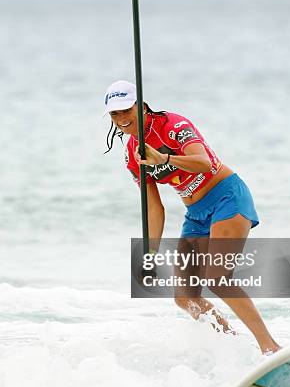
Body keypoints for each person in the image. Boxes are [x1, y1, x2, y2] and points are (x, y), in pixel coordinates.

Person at [104, 79, 280, 354]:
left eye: (126, 109)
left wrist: (165, 160)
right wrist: (149, 251)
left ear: (140, 105)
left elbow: (203, 162)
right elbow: (154, 208)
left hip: (226, 197)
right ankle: (236, 347)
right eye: (115, 114)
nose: (122, 118)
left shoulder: (173, 126)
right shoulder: (132, 155)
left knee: (217, 276)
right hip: (196, 214)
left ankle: (270, 347)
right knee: (185, 297)